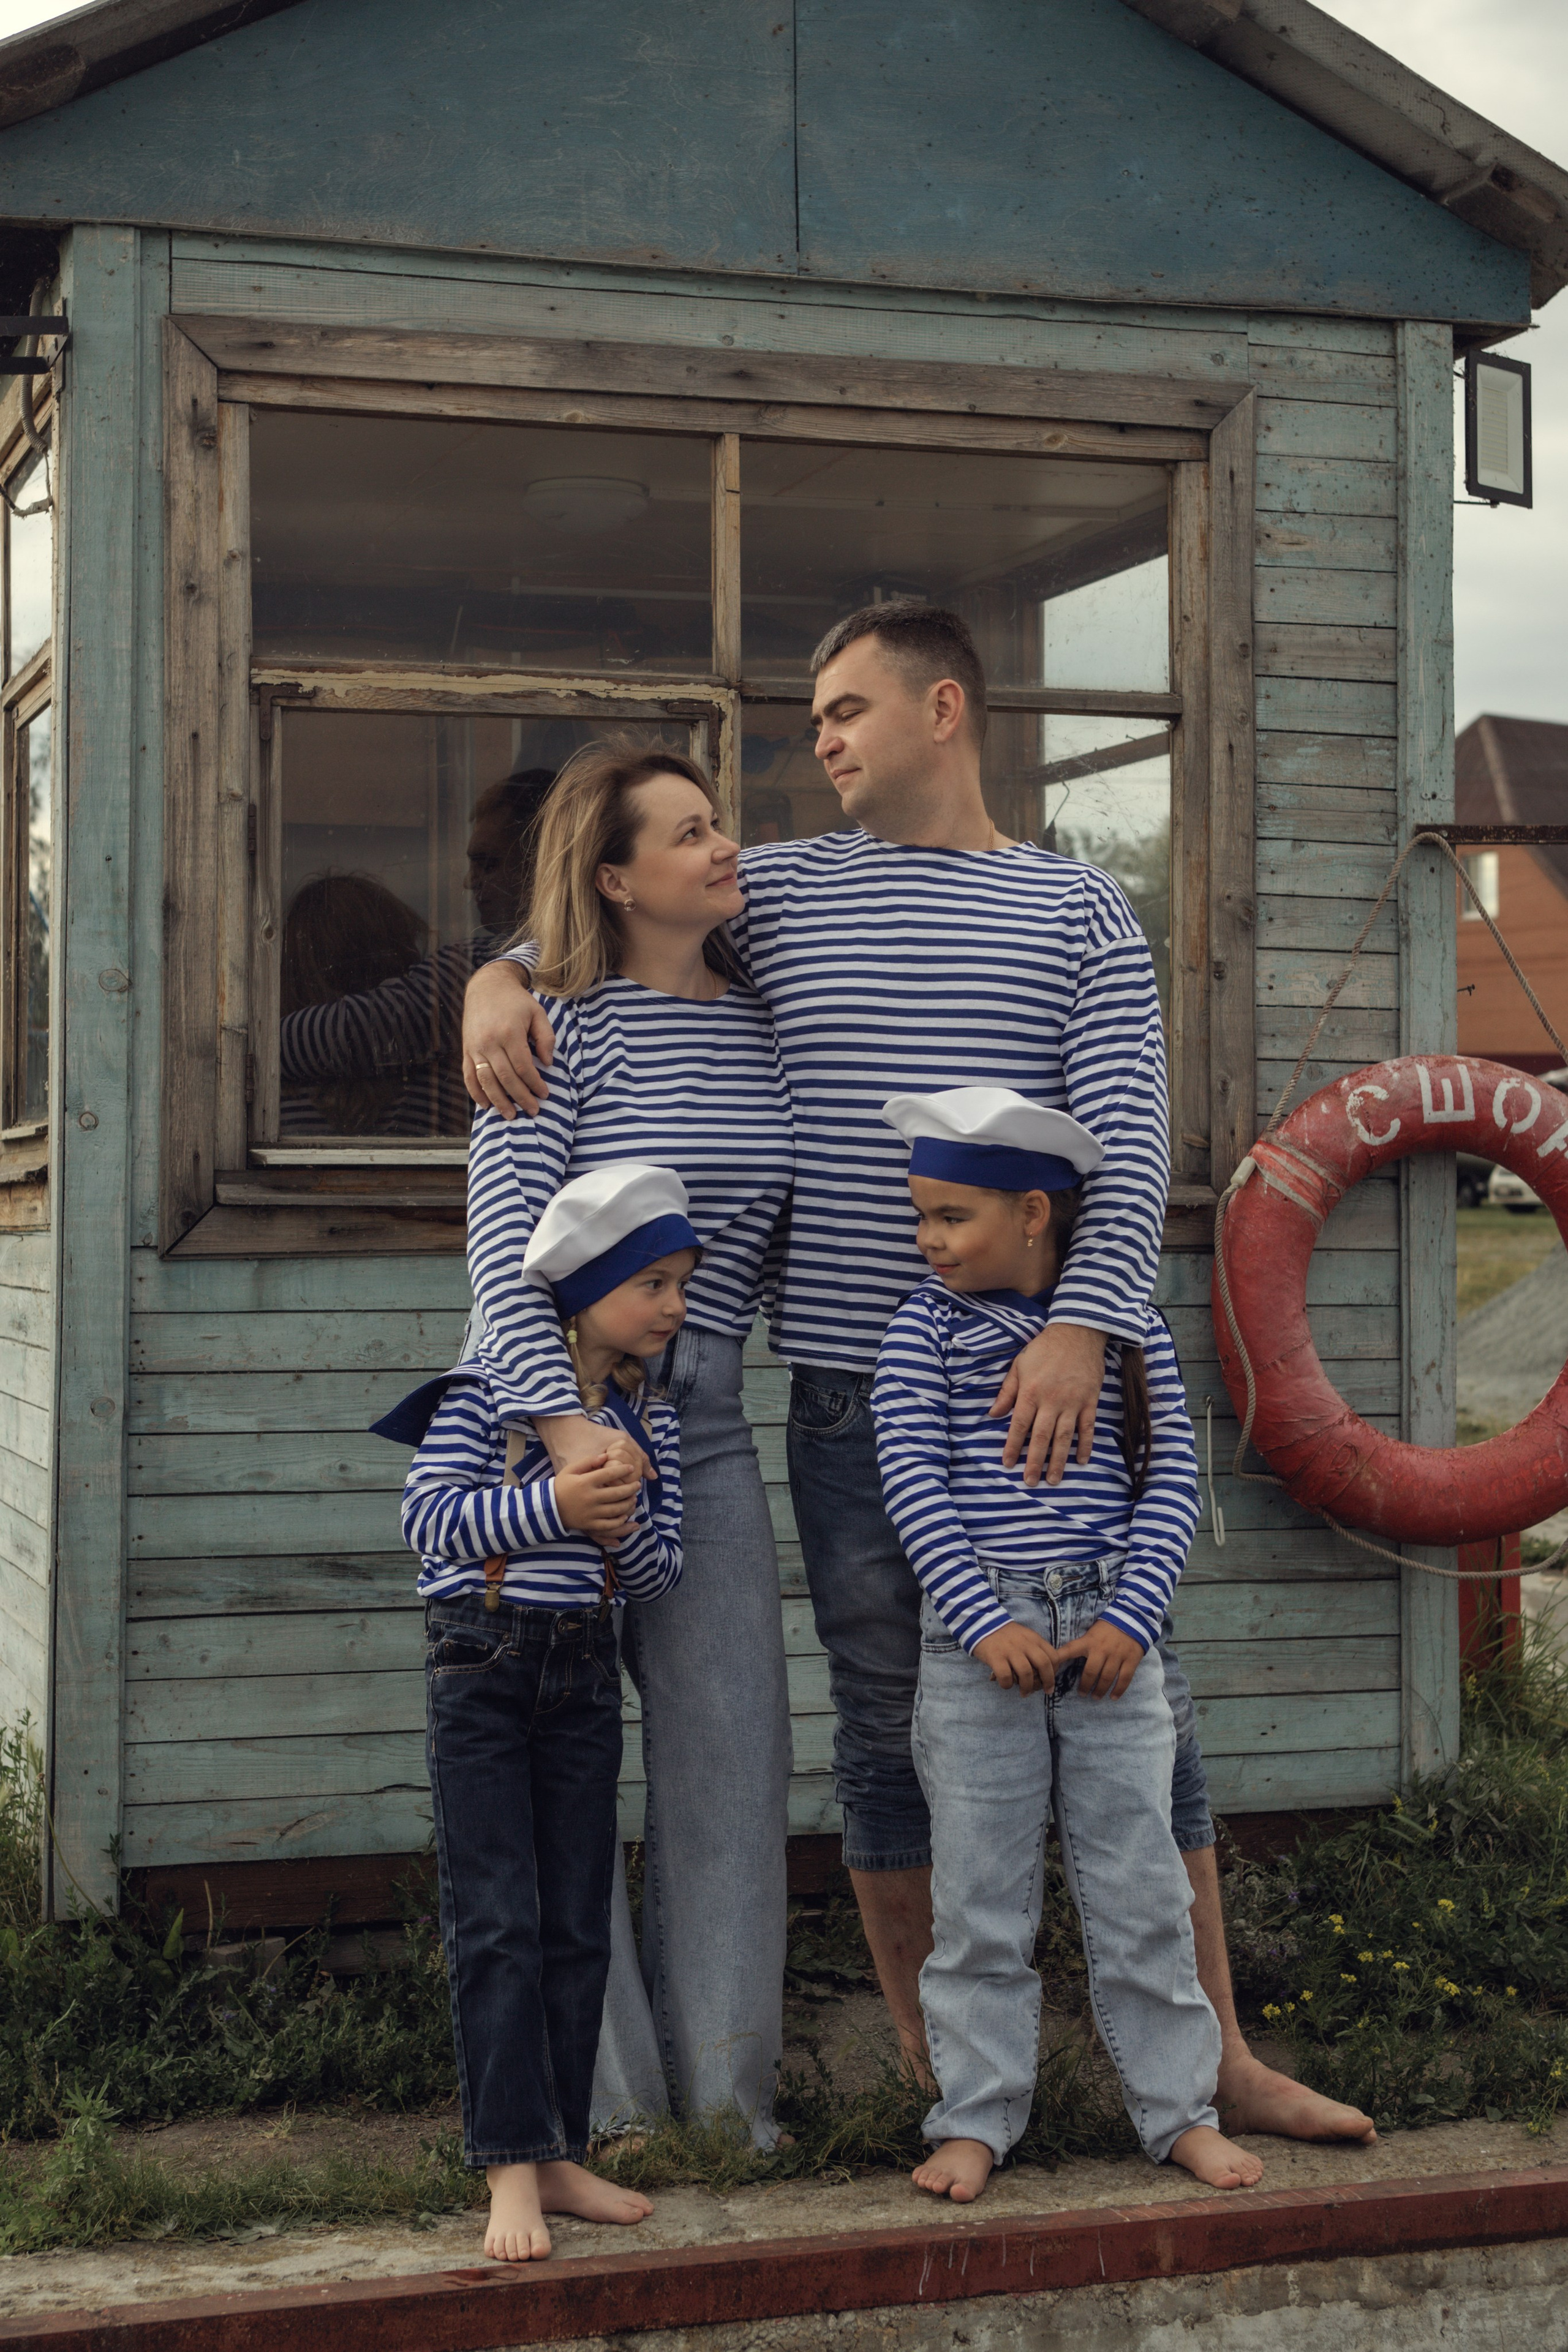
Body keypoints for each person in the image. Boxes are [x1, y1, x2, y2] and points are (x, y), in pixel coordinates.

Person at [460, 604, 1374, 2146]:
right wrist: (495, 976)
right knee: (889, 1731)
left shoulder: (1080, 913)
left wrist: (1083, 1329)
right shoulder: (781, 893)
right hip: (839, 1392)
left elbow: (1129, 1137)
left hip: (1051, 1382)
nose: (814, 741)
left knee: (1142, 1704)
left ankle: (1217, 2058)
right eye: (810, 719)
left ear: (941, 708)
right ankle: (939, 2075)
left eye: (840, 711)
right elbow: (607, 928)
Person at [466, 741, 794, 2146]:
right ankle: (603, 2110)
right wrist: (563, 1444)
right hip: (553, 1425)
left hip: (707, 1421)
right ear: (613, 874)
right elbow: (501, 1263)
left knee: (731, 1756)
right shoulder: (555, 1028)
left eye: (721, 823)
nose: (726, 847)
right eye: (688, 832)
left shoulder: (760, 1015)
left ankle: (725, 2103)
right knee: (559, 1770)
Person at [872, 1085, 1264, 2201]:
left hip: (1108, 1642)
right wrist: (980, 1618)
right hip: (978, 1646)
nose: (928, 1241)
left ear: (1034, 1213)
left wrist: (1133, 1617)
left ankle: (1178, 2110)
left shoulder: (1125, 1331)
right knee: (983, 1896)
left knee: (1142, 1886)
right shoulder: (923, 1333)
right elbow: (914, 1486)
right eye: (921, 1218)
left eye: (951, 1217)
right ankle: (976, 2118)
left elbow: (1170, 1480)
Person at [375, 1161, 695, 2263]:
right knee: (499, 1917)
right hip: (483, 1667)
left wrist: (620, 1522)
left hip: (581, 1673)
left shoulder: (650, 1415)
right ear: (588, 1285)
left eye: (681, 1284)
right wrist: (555, 1501)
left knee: (573, 1917)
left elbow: (658, 1577)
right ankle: (508, 2162)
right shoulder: (488, 1394)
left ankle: (559, 2151)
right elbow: (430, 1527)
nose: (673, 1307)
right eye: (653, 1283)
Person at [279, 767, 557, 1131]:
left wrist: (241, 1050)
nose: (470, 882)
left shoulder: (473, 969)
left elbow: (359, 1028)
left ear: (542, 869)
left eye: (490, 863)